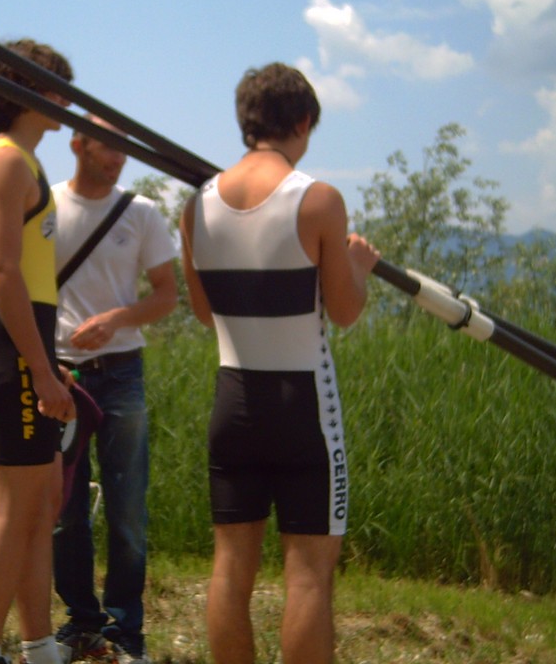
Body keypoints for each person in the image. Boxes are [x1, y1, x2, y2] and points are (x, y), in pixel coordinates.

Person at [178, 63, 380, 664]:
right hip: (303, 407)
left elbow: (203, 312)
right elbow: (344, 311)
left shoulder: (195, 207)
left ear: (246, 121)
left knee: (230, 567)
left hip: (233, 401)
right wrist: (358, 268)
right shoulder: (317, 200)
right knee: (310, 575)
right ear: (303, 122)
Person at [0, 38, 78, 664]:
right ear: (29, 91)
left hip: (24, 344)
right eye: (59, 87)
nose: (68, 100)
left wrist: (47, 363)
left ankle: (40, 647)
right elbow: (3, 272)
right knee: (16, 510)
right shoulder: (6, 162)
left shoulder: (25, 162)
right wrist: (39, 370)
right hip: (7, 345)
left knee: (40, 506)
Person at [51, 119, 178, 664]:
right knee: (65, 510)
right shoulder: (46, 205)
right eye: (108, 146)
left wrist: (115, 319)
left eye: (124, 149)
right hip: (61, 374)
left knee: (127, 509)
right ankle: (81, 622)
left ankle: (126, 631)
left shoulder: (141, 212)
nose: (118, 157)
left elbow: (167, 294)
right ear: (77, 144)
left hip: (123, 371)